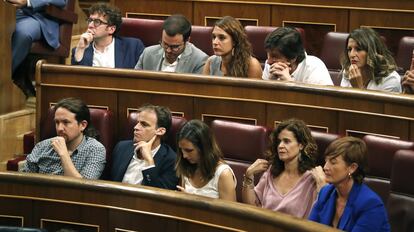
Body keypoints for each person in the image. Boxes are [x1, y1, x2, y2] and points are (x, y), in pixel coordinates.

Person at [242, 118, 326, 218]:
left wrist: (323, 187)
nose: (280, 146)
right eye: (279, 141)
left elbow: (319, 217)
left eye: (287, 141)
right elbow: (251, 207)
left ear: (301, 145)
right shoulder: (271, 172)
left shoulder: (312, 179)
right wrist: (249, 175)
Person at [309, 137, 390, 231]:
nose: (325, 167)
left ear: (352, 168)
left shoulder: (370, 204)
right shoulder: (325, 193)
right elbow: (309, 228)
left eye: (333, 162)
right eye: (326, 161)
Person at [22, 98, 106, 179]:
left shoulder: (95, 150)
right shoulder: (42, 146)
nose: (59, 128)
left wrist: (64, 154)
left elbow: (83, 188)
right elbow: (23, 182)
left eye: (66, 122)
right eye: (57, 122)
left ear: (82, 125)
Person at [110, 104, 178, 190]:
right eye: (137, 123)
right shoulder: (121, 148)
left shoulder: (171, 161)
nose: (136, 127)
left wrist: (149, 161)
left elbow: (159, 197)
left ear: (160, 131)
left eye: (144, 124)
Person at [7, 0, 66, 97]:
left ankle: (3, 76)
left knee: (23, 34)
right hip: (7, 11)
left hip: (37, 17)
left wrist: (28, 1)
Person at [175, 120, 236, 201]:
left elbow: (230, 212)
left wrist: (192, 201)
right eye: (181, 150)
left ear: (204, 148)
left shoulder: (223, 174)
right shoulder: (186, 167)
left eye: (189, 150)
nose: (184, 156)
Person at [71, 3, 144, 68]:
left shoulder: (133, 47)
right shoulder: (80, 50)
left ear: (111, 29)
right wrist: (80, 48)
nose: (90, 25)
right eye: (90, 20)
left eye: (97, 22)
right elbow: (76, 78)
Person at [135, 14, 208, 74]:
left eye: (174, 47)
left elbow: (197, 90)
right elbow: (135, 83)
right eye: (165, 44)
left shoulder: (200, 60)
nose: (168, 50)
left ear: (187, 40)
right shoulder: (147, 54)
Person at [262, 27, 333, 86]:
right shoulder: (270, 65)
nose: (268, 61)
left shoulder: (314, 67)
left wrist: (290, 83)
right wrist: (270, 83)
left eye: (275, 56)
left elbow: (324, 101)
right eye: (268, 54)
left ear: (293, 58)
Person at [340, 28, 401, 93]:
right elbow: (342, 102)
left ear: (372, 52)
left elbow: (371, 103)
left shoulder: (390, 80)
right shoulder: (348, 72)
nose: (352, 55)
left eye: (358, 49)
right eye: (349, 49)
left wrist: (358, 88)